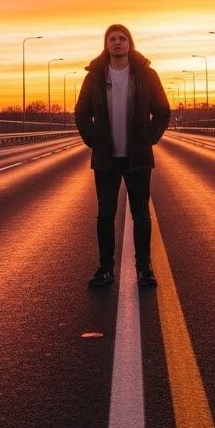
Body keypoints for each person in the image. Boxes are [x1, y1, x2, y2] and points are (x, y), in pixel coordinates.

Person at [74, 24, 172, 288]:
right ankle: (105, 269)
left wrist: (147, 138)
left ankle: (144, 269)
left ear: (130, 43)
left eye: (122, 38)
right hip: (106, 159)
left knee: (140, 214)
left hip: (136, 157)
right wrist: (95, 141)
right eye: (112, 39)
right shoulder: (95, 76)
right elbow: (81, 113)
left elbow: (163, 110)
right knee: (105, 215)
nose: (117, 43)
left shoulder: (146, 75)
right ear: (106, 45)